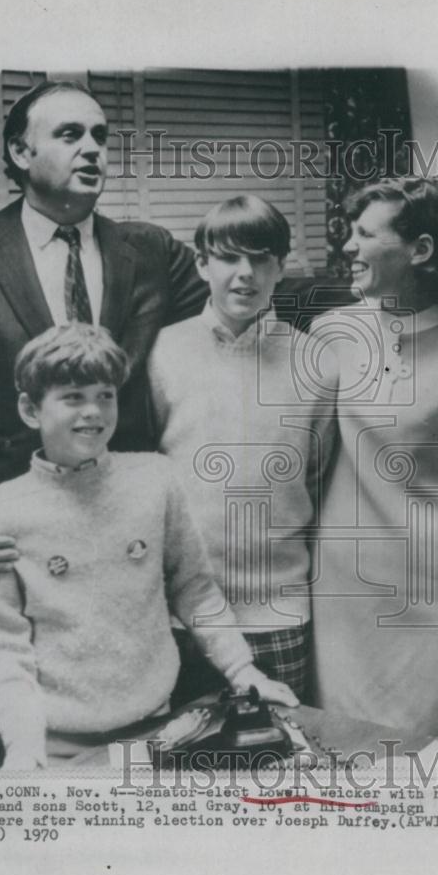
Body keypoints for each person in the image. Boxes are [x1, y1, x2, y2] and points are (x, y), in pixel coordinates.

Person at [0, 80, 208, 763]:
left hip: (119, 556)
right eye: (70, 135)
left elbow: (226, 334)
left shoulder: (151, 252)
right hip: (0, 546)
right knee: (12, 760)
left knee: (136, 756)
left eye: (100, 136)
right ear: (19, 150)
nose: (92, 148)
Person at [0, 323, 298, 769]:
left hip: (160, 728)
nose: (94, 412)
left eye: (105, 395)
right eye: (72, 397)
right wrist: (23, 747)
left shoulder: (155, 480)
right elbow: (3, 650)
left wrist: (243, 671)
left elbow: (195, 590)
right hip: (58, 744)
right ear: (31, 409)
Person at [309, 176, 438, 736]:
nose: (348, 247)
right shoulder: (332, 333)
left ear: (421, 250)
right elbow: (301, 467)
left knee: (430, 766)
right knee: (351, 761)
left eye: (364, 234)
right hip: (347, 596)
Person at [147, 195, 338, 703]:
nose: (245, 273)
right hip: (181, 615)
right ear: (202, 263)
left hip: (280, 612)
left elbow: (317, 479)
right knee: (182, 772)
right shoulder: (160, 352)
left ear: (281, 266)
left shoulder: (316, 362)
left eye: (261, 258)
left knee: (276, 769)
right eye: (229, 257)